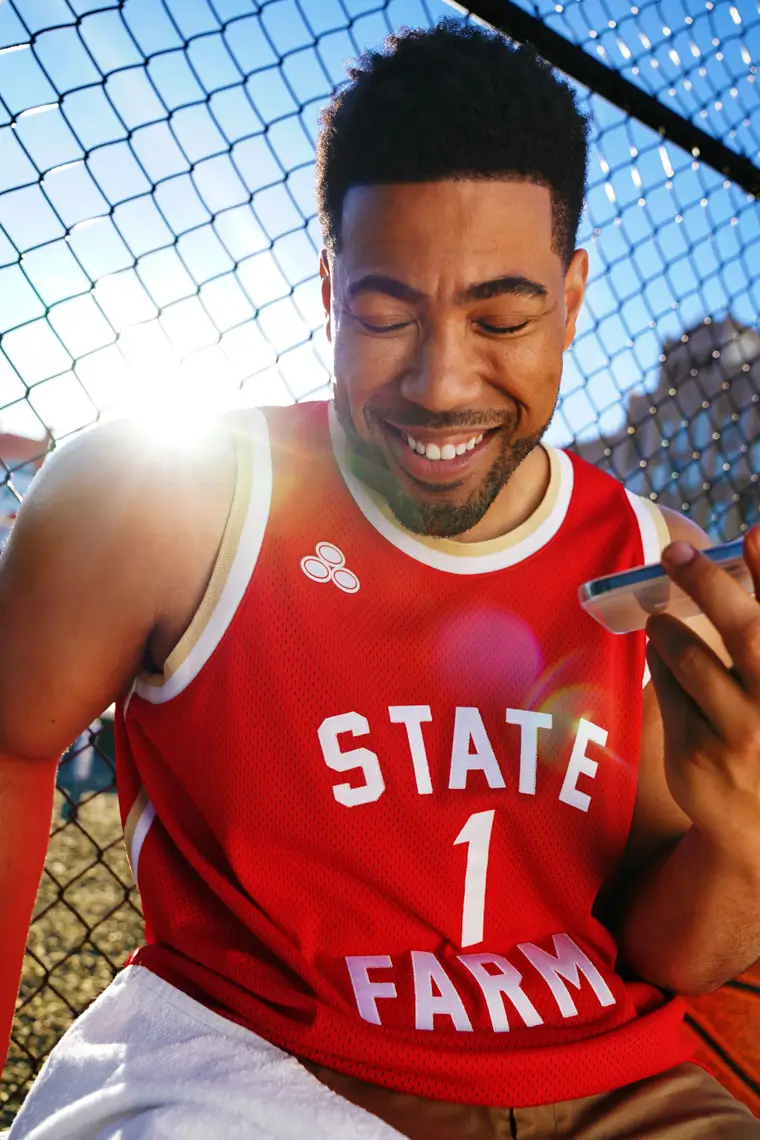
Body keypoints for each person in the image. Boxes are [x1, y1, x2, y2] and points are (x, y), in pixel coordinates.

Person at [1, 19, 759, 1140]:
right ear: (326, 283)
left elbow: (671, 950)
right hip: (255, 1067)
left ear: (576, 293)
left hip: (613, 1087)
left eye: (502, 316)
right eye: (384, 312)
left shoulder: (653, 561)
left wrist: (744, 826)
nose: (442, 382)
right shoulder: (163, 494)